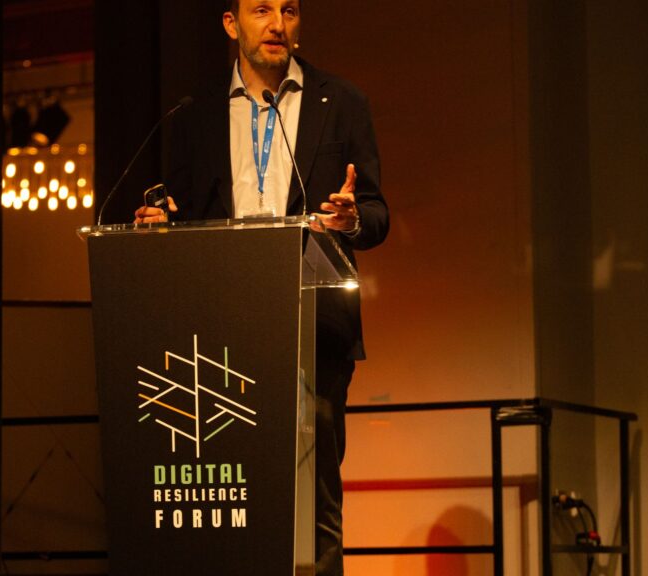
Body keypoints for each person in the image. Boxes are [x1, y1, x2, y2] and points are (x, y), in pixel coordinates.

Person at [134, 0, 388, 573]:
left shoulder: (341, 102)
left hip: (314, 332)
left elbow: (377, 214)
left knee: (316, 503)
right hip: (220, 336)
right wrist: (163, 223)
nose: (278, 24)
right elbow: (183, 214)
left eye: (290, 11)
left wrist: (351, 220)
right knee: (230, 504)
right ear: (231, 24)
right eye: (261, 10)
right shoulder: (193, 112)